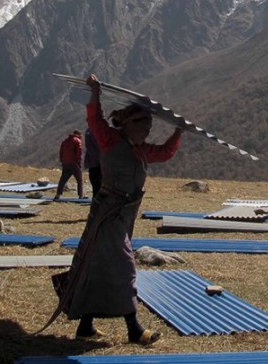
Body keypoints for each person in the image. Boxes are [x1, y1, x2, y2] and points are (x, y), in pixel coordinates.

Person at [59, 74, 182, 346]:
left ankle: (85, 326)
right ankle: (134, 329)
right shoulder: (111, 141)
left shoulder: (141, 150)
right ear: (128, 123)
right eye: (143, 124)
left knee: (99, 266)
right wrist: (95, 92)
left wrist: (178, 132)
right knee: (125, 267)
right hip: (108, 215)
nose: (148, 130)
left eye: (150, 125)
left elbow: (165, 153)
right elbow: (95, 120)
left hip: (123, 216)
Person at [54, 130, 84, 200]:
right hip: (74, 163)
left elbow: (61, 152)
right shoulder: (77, 141)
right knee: (79, 180)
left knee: (63, 179)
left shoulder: (65, 141)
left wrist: (62, 160)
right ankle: (81, 195)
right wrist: (79, 162)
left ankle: (58, 194)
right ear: (79, 135)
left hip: (65, 163)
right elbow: (79, 153)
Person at [84, 128, 102, 197]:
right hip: (98, 164)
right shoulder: (97, 130)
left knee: (96, 187)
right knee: (99, 187)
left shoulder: (88, 131)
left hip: (92, 164)